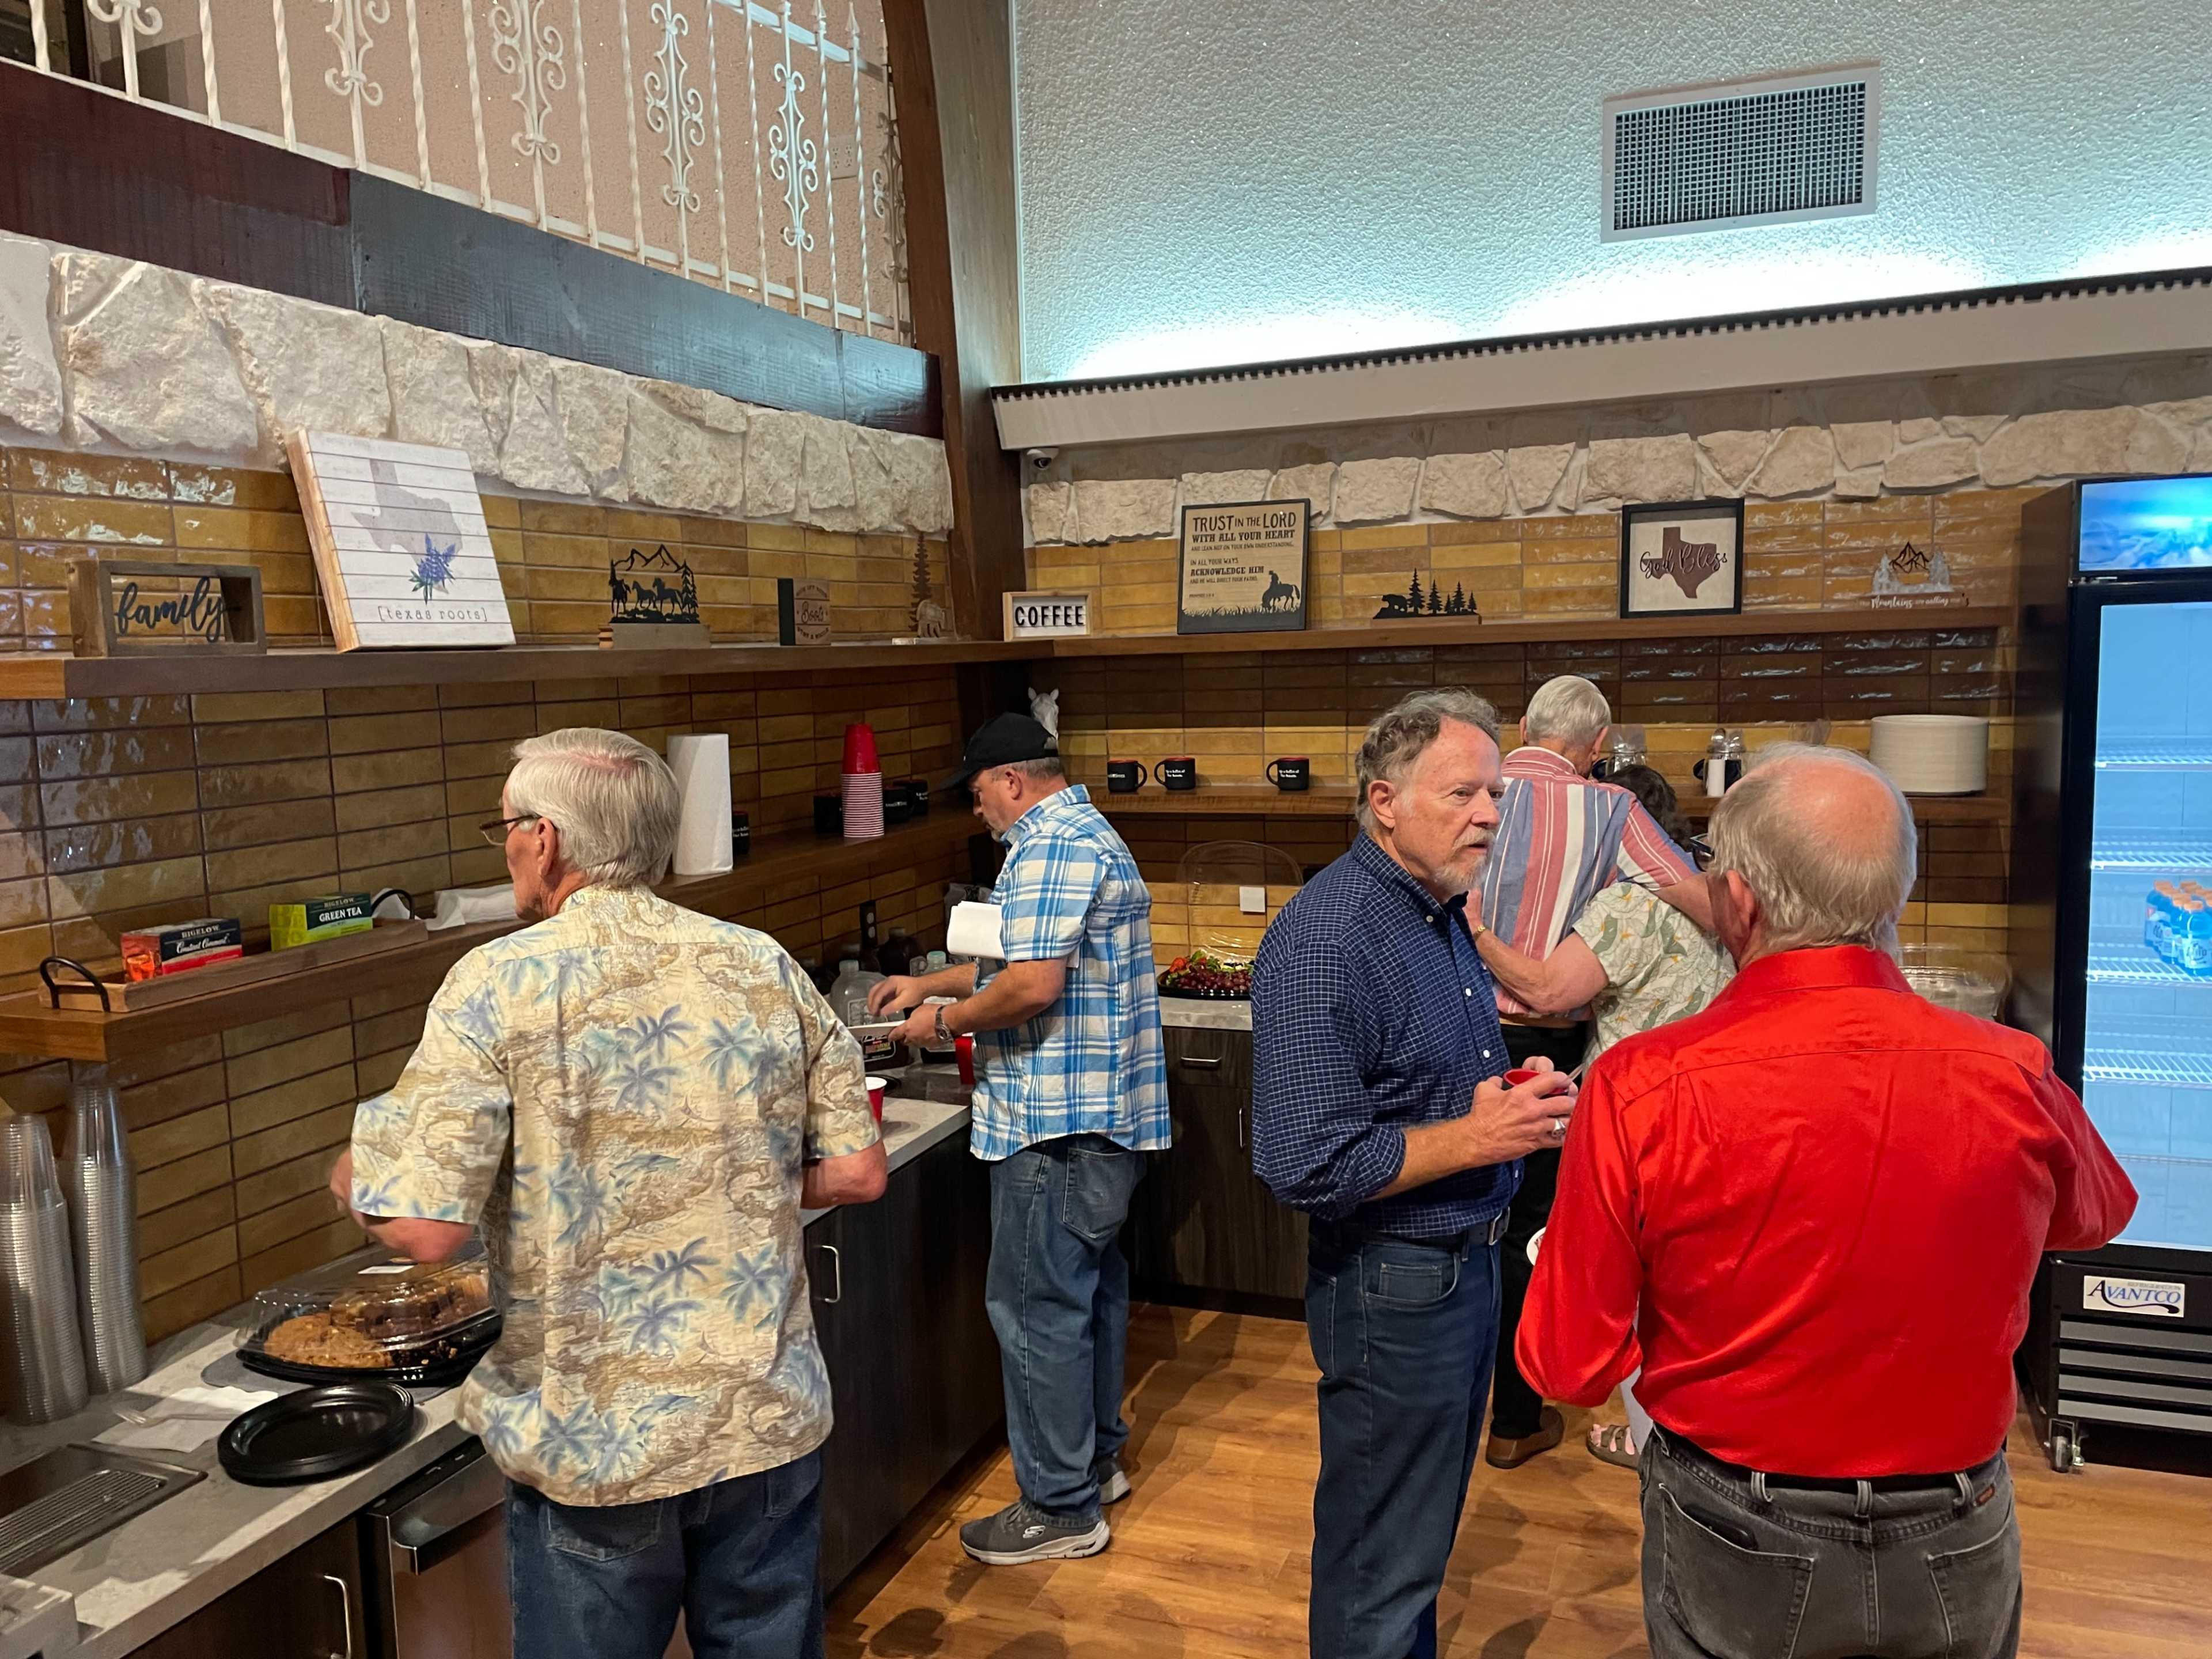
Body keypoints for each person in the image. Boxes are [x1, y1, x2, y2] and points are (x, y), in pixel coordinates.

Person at [1520, 745, 2137, 1659]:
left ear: (1739, 901)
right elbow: (2096, 1217)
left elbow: (1566, 1364)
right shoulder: (2011, 1069)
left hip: (1735, 1519)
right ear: (1896, 897)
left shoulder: (1640, 1085)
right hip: (1958, 1511)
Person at [328, 728, 886, 1659]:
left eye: (506, 828)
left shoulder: (496, 983)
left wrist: (355, 1179)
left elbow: (425, 1228)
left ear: (544, 840)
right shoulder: (760, 962)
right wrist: (722, 1176)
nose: (507, 848)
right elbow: (859, 1172)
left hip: (595, 1442)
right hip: (760, 1417)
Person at [1251, 688, 1577, 1659]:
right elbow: (1303, 1159)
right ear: (1384, 802)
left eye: (1495, 795)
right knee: (1381, 1560)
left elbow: (1426, 1089)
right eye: (1462, 793)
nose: (1488, 814)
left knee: (1417, 1543)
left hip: (1462, 1268)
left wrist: (1509, 1104)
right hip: (1393, 1286)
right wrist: (1474, 1139)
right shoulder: (1328, 937)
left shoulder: (1436, 912)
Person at [870, 713, 1168, 1566]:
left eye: (978, 794)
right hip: (1100, 1121)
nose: (978, 812)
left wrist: (940, 1022)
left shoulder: (1047, 848)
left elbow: (1032, 986)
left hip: (1055, 1126)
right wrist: (931, 981)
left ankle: (1059, 1507)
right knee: (1086, 1301)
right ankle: (1093, 1465)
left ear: (1011, 781)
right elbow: (1035, 955)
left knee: (1037, 1313)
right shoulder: (1085, 831)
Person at [1475, 675, 1710, 1469]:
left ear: (1523, 727)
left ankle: (1450, 1405)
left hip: (1450, 1030)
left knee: (1452, 1212)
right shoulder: (1609, 809)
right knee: (1530, 1232)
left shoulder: (1468, 793)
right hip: (1545, 1049)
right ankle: (1515, 1419)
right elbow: (1696, 896)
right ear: (1599, 746)